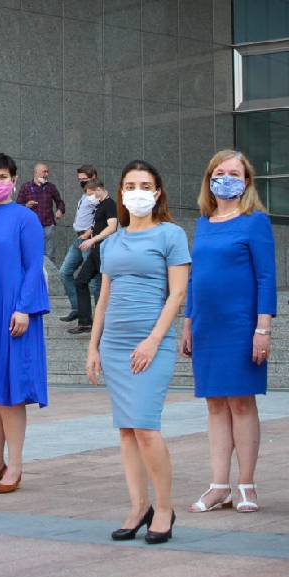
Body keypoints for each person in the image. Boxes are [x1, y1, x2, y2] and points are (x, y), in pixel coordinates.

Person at [85, 160, 190, 544]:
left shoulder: (171, 234)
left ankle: (164, 508)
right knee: (127, 430)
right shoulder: (112, 240)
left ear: (157, 191)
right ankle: (138, 505)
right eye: (130, 185)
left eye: (145, 184)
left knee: (146, 427)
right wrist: (93, 347)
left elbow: (177, 293)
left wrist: (152, 340)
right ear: (121, 192)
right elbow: (103, 298)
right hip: (114, 344)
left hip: (151, 342)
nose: (137, 191)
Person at [181, 150, 276, 514]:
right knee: (215, 404)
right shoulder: (204, 222)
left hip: (241, 325)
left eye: (234, 173)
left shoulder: (255, 222)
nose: (226, 178)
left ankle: (246, 485)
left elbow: (266, 277)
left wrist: (262, 329)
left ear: (246, 181)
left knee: (240, 401)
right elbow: (195, 278)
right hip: (206, 325)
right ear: (209, 178)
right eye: (219, 172)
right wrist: (188, 322)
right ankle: (218, 485)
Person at [0, 153, 49, 496]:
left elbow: (33, 266)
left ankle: (14, 464)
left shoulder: (25, 218)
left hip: (13, 311)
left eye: (3, 176)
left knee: (11, 392)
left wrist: (24, 309)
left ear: (14, 180)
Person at [69, 180, 119, 334]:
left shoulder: (110, 204)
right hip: (96, 250)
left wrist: (93, 239)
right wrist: (87, 235)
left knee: (107, 287)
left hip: (105, 250)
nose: (89, 198)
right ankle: (85, 323)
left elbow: (112, 227)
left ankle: (110, 323)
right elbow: (98, 224)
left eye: (90, 194)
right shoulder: (99, 205)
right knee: (80, 281)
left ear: (98, 189)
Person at [59, 165, 101, 321]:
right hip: (79, 238)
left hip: (89, 239)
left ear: (94, 177)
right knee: (64, 272)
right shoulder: (85, 195)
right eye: (80, 180)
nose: (82, 182)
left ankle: (99, 317)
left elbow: (101, 216)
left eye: (85, 179)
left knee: (95, 280)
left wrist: (90, 235)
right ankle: (77, 308)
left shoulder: (96, 194)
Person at [16, 162, 65, 263]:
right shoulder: (26, 187)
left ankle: (50, 278)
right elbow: (18, 206)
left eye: (47, 172)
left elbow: (60, 202)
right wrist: (26, 205)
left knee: (50, 255)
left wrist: (60, 210)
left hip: (48, 225)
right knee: (31, 253)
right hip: (31, 227)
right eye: (44, 172)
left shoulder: (51, 187)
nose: (46, 174)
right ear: (36, 172)